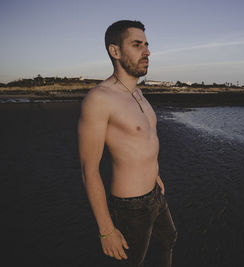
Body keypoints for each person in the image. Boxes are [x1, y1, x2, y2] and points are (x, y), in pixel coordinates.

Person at [77, 20, 177, 267]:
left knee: (168, 240)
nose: (147, 52)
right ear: (115, 51)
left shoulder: (138, 93)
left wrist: (156, 174)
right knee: (132, 261)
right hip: (131, 207)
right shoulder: (99, 99)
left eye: (146, 44)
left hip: (156, 194)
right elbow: (88, 171)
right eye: (136, 44)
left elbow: (145, 140)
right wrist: (106, 230)